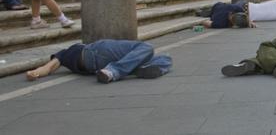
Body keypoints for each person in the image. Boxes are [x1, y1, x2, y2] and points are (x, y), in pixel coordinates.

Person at [24, 40, 172, 83]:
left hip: (98, 63)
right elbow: (47, 67)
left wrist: (34, 74)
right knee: (146, 47)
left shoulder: (63, 56)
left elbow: (48, 68)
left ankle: (137, 68)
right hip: (96, 51)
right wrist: (34, 72)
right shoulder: (65, 53)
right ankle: (115, 71)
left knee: (166, 58)